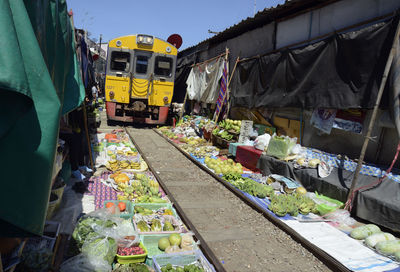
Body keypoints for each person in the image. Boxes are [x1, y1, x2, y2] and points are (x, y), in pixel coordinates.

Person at [59, 109, 92, 181]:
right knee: (73, 140)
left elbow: (63, 124)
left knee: (79, 137)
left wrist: (68, 128)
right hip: (58, 134)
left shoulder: (61, 111)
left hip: (64, 131)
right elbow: (59, 127)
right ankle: (74, 169)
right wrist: (68, 130)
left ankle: (81, 164)